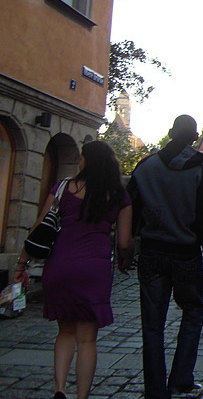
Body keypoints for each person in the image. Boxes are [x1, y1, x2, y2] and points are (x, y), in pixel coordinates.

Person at [14, 141, 132, 399]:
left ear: (87, 161)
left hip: (61, 264)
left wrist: (21, 264)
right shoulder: (119, 195)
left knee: (64, 332)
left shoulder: (63, 188)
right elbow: (124, 242)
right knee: (87, 340)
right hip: (94, 268)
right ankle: (82, 396)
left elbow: (38, 228)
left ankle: (59, 388)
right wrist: (126, 258)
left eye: (81, 157)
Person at [127, 115, 203, 398]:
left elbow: (129, 211)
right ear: (195, 138)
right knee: (193, 313)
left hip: (152, 252)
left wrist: (126, 249)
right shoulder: (200, 174)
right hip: (186, 254)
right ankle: (181, 378)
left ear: (170, 133)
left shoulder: (145, 168)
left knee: (152, 324)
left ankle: (155, 389)